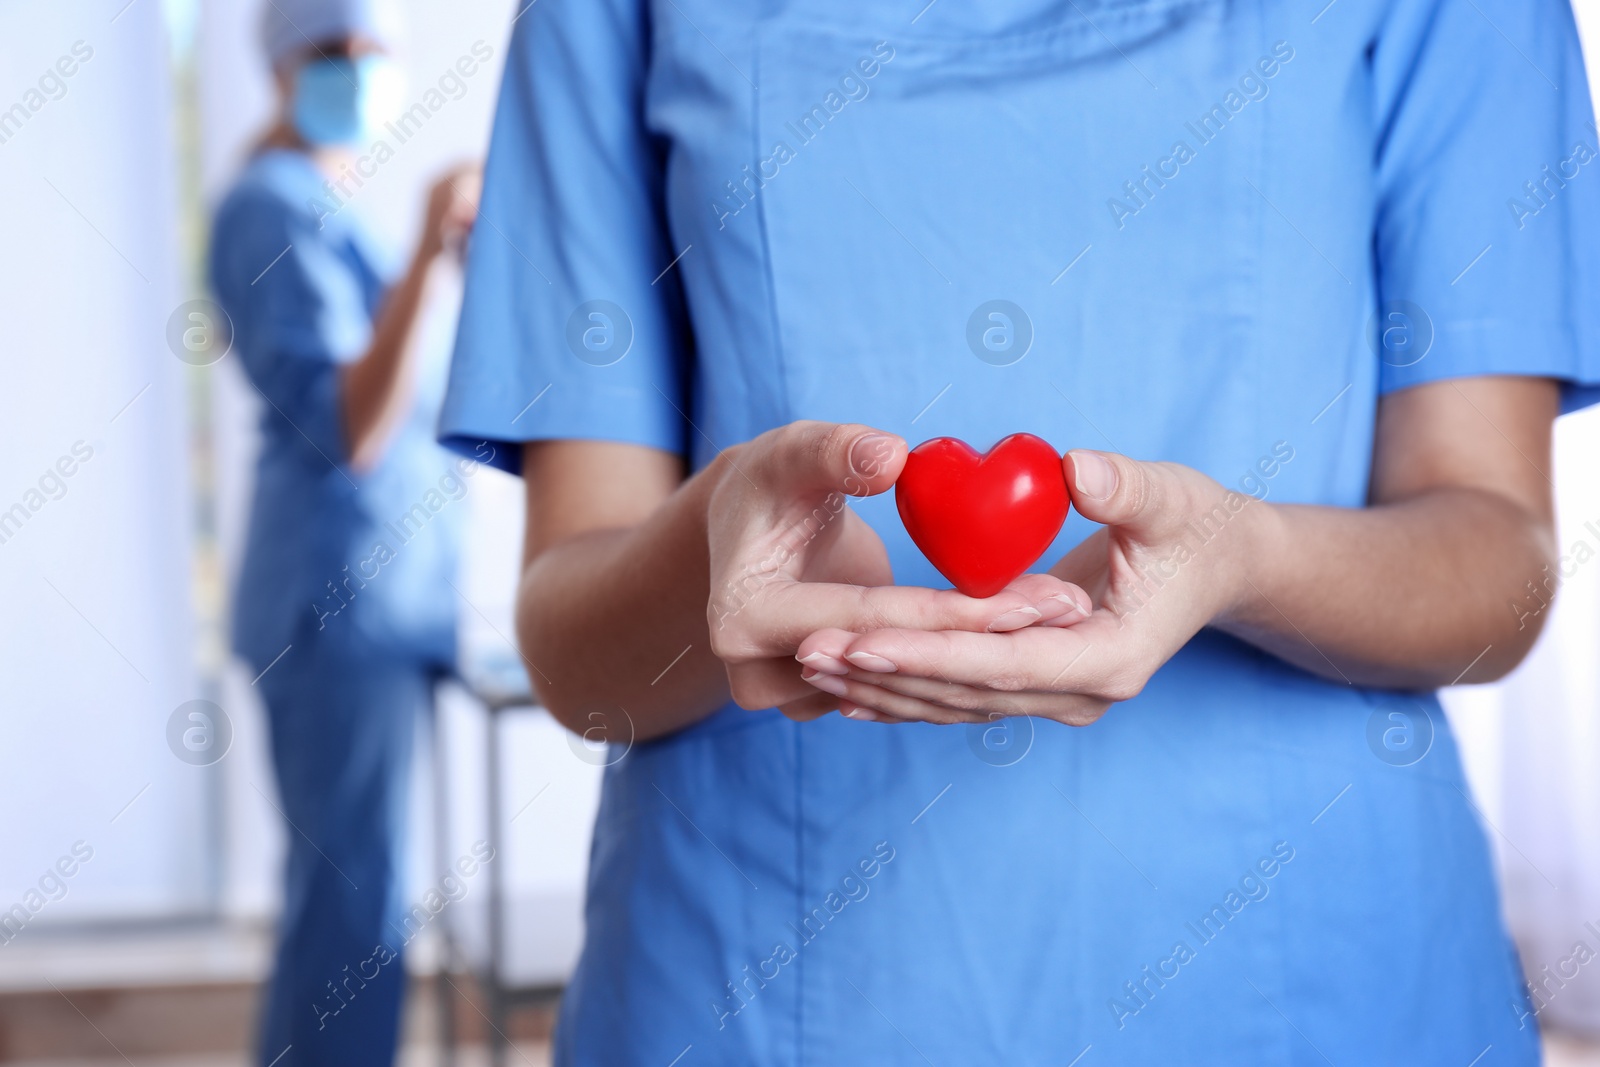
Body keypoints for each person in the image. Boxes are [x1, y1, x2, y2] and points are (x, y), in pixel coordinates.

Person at [440, 0, 1600, 1061]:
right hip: (755, 989)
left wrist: (1244, 556)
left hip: (1320, 982)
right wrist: (717, 548)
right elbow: (577, 652)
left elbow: (1495, 567)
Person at [208, 2, 480, 1062]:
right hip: (333, 604)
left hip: (384, 599)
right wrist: (419, 254)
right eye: (334, 52)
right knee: (353, 918)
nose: (360, 74)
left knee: (346, 904)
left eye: (377, 54)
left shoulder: (327, 200)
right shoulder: (269, 207)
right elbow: (353, 428)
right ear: (280, 66)